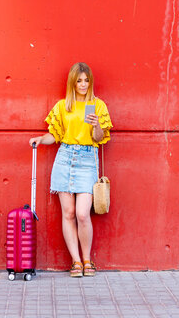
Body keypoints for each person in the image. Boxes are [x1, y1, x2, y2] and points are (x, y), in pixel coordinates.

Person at [29, 62, 112, 278]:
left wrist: (95, 125)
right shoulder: (63, 106)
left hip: (87, 160)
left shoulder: (98, 105)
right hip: (65, 158)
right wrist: (40, 139)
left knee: (83, 214)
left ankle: (87, 260)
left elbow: (100, 139)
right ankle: (76, 261)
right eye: (79, 81)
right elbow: (54, 135)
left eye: (86, 80)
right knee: (69, 213)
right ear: (72, 83)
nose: (83, 85)